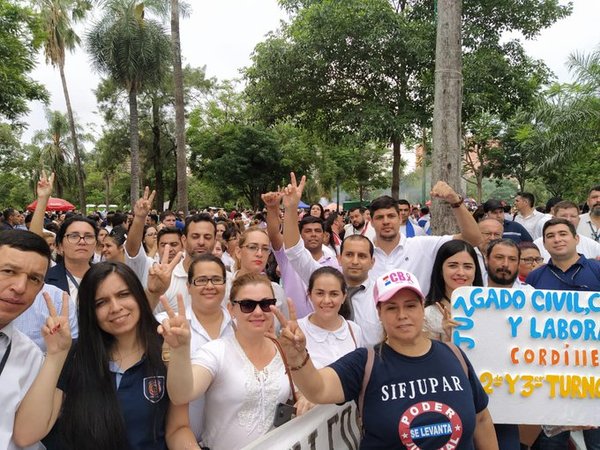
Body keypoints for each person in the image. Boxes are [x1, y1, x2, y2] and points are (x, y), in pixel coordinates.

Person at [271, 269, 498, 449]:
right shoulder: (366, 362)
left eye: (410, 305)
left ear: (422, 307)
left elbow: (481, 420)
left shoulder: (454, 355)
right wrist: (298, 358)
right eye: (391, 308)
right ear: (379, 313)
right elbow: (317, 389)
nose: (402, 315)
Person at [13, 262, 196, 450]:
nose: (115, 307)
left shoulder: (166, 346)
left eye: (123, 295)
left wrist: (181, 352)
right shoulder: (74, 355)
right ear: (90, 311)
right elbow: (26, 435)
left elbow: (178, 427)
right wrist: (55, 355)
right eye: (101, 302)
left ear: (139, 296)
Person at [163, 273, 307, 450]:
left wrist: (306, 399)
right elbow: (182, 394)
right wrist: (180, 350)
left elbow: (309, 391)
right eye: (247, 305)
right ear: (231, 309)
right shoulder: (216, 352)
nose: (258, 312)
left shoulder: (284, 350)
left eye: (265, 304)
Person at [526, 218, 600, 449]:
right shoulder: (535, 278)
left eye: (562, 234)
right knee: (550, 444)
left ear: (576, 239)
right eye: (550, 236)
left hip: (594, 373)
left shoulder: (597, 270)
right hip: (551, 378)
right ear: (544, 245)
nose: (557, 239)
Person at [156, 254, 235, 443]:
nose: (209, 286)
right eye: (201, 280)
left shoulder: (240, 328)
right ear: (189, 286)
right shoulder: (167, 326)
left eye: (216, 279)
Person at [368, 182, 483, 295]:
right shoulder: (361, 255)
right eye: (379, 217)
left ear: (399, 218)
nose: (386, 221)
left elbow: (473, 239)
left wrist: (455, 202)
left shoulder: (423, 246)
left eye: (391, 216)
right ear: (371, 222)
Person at [0, 230, 53, 450]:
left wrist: (58, 355)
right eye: (9, 271)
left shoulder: (31, 356)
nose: (20, 287)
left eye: (34, 279)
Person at [263, 186, 341, 318]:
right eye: (308, 231)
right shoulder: (287, 255)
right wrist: (272, 208)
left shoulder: (333, 263)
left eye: (317, 231)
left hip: (322, 329)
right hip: (292, 328)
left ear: (324, 235)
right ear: (299, 234)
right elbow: (274, 234)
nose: (313, 235)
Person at [297, 267, 363, 369]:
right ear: (310, 295)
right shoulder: (297, 330)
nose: (327, 300)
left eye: (334, 294)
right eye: (320, 293)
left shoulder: (354, 330)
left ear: (344, 297)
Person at [424, 240, 483, 342]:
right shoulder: (428, 315)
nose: (461, 272)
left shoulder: (489, 308)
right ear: (440, 270)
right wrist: (447, 337)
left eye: (467, 267)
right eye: (453, 266)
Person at [44, 216, 98, 300]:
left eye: (88, 236)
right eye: (74, 236)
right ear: (60, 246)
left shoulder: (106, 277)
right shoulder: (45, 280)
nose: (82, 242)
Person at [533, 200, 600, 261]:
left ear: (579, 219)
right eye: (563, 216)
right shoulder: (538, 245)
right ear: (553, 218)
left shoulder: (593, 246)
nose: (568, 220)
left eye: (573, 216)